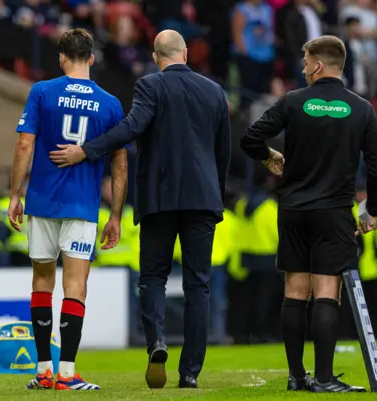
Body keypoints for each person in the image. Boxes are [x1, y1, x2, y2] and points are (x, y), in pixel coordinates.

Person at [49, 29, 231, 389]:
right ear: (186, 53)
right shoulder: (215, 91)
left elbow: (132, 128)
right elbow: (223, 150)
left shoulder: (150, 86)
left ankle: (157, 343)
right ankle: (190, 372)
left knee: (152, 278)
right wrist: (215, 194)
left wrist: (87, 149)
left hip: (160, 199)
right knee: (199, 286)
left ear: (154, 56)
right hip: (202, 200)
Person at [240, 35, 377, 392]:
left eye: (306, 62)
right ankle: (323, 378)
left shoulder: (293, 102)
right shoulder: (361, 108)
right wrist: (371, 211)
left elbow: (249, 138)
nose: (303, 69)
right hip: (333, 211)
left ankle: (296, 377)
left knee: (295, 291)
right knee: (326, 292)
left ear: (318, 65)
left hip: (292, 210)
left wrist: (269, 156)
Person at [8, 28, 128, 391]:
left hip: (42, 202)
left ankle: (44, 370)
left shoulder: (42, 91)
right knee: (75, 285)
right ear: (91, 58)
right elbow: (120, 165)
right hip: (81, 205)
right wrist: (116, 216)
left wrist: (15, 193)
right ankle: (67, 373)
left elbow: (24, 144)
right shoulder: (110, 103)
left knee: (41, 282)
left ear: (61, 57)